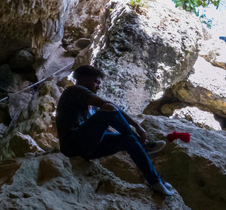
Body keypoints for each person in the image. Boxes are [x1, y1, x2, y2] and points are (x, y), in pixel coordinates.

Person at [56, 65, 174, 196]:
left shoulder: (90, 106)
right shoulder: (74, 90)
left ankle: (155, 181)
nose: (98, 86)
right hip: (72, 145)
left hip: (87, 147)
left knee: (129, 140)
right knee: (108, 109)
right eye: (96, 82)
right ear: (83, 79)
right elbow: (110, 107)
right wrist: (137, 126)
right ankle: (144, 145)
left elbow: (105, 122)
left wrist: (130, 135)